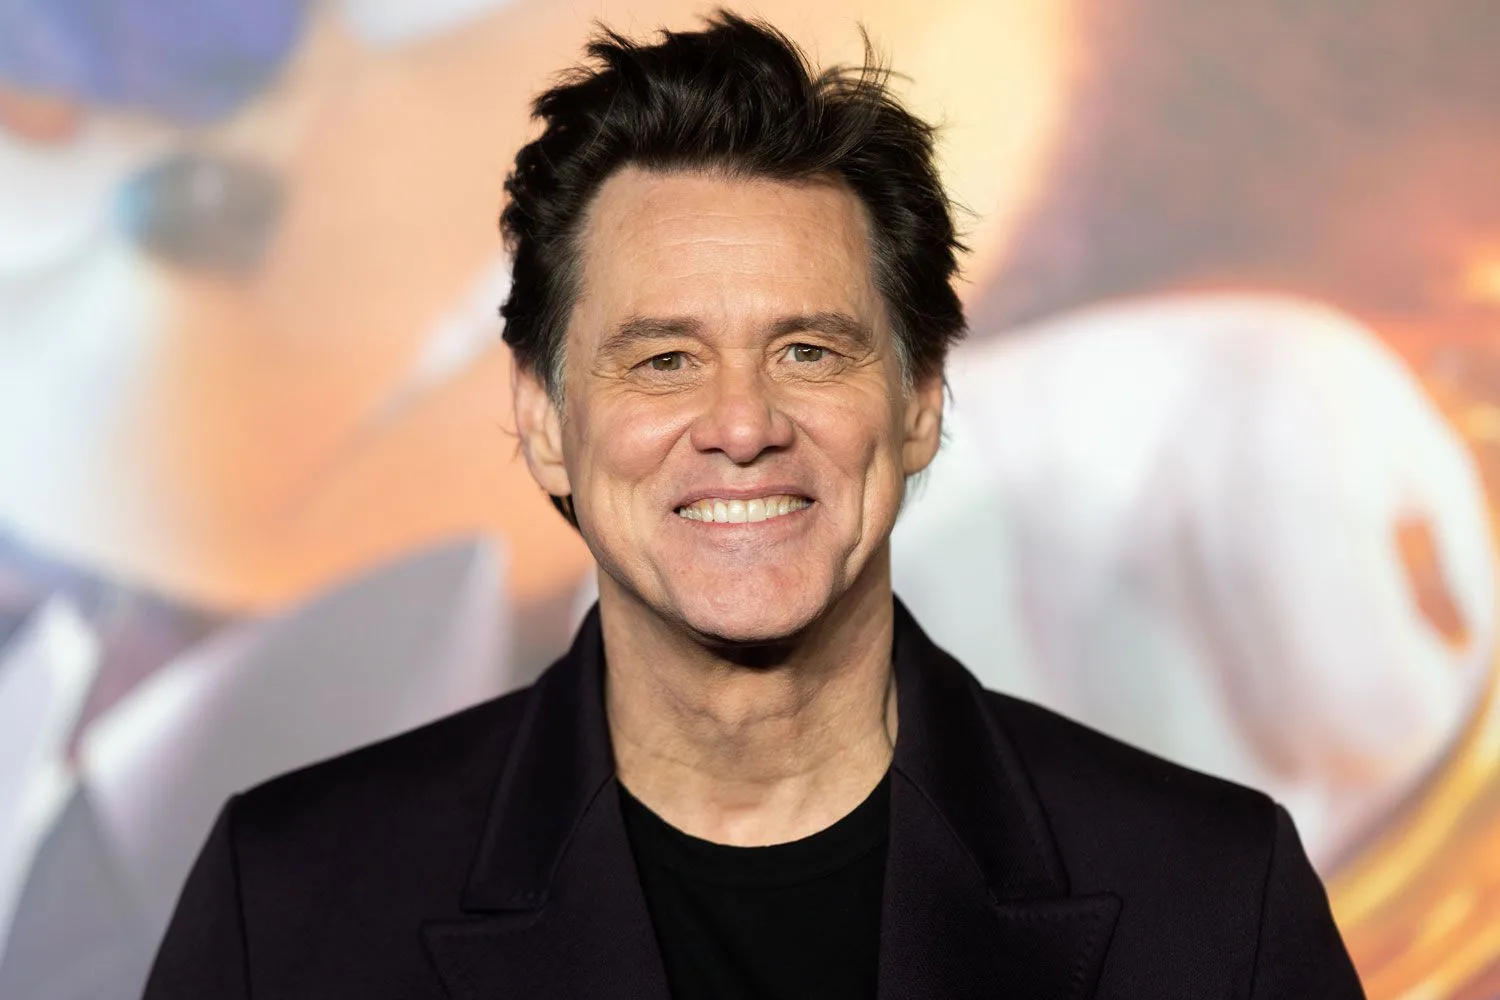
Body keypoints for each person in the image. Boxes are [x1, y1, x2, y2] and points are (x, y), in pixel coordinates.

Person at [142, 12, 1365, 998]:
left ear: (921, 403)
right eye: (663, 358)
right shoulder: (294, 902)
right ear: (545, 421)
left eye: (809, 352)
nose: (741, 424)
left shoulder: (1210, 900)